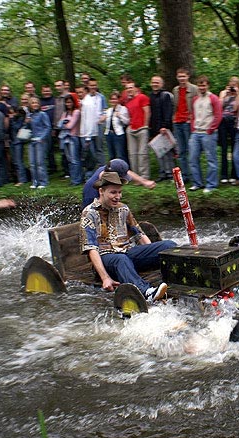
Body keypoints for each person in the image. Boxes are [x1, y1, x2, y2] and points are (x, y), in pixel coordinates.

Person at [80, 171, 176, 301]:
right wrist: (105, 278)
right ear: (101, 191)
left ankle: (177, 280)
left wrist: (153, 254)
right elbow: (91, 248)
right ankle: (146, 292)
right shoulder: (89, 213)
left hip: (127, 253)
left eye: (119, 192)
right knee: (121, 259)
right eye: (113, 192)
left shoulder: (123, 209)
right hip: (105, 259)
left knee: (169, 245)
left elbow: (139, 235)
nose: (117, 196)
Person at [188, 75, 222, 193]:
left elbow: (218, 115)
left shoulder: (213, 98)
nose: (201, 87)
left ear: (207, 85)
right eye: (199, 85)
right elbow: (192, 115)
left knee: (211, 159)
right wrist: (193, 128)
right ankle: (197, 183)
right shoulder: (195, 99)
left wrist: (211, 129)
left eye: (203, 85)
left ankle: (211, 185)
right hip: (196, 132)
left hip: (208, 133)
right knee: (192, 158)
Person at [82, 158, 156, 209]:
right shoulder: (91, 193)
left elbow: (128, 172)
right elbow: (87, 217)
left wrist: (144, 182)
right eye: (121, 179)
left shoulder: (108, 169)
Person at [172, 68, 198, 183]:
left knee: (191, 150)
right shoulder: (176, 90)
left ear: (188, 76)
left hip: (188, 122)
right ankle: (185, 176)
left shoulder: (194, 89)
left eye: (184, 76)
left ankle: (194, 176)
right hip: (178, 121)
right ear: (177, 77)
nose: (182, 79)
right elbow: (175, 106)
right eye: (180, 76)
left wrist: (192, 117)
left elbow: (197, 105)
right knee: (181, 151)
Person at [149, 75, 175, 182]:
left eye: (157, 82)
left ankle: (171, 173)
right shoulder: (151, 96)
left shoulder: (165, 96)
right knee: (158, 151)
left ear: (161, 84)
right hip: (155, 128)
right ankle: (162, 172)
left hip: (165, 128)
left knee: (168, 151)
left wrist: (165, 126)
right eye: (153, 82)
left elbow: (168, 112)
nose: (155, 84)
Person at [217, 76, 239, 184]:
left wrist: (237, 94)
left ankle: (234, 174)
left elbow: (237, 108)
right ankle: (224, 174)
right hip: (223, 122)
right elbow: (219, 106)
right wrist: (225, 95)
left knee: (234, 148)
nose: (233, 85)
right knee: (224, 149)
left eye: (235, 84)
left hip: (234, 122)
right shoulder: (223, 93)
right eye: (232, 83)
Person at [26, 97, 52, 188]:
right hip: (31, 140)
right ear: (30, 105)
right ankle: (34, 182)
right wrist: (27, 122)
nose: (35, 104)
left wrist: (42, 137)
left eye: (36, 102)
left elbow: (48, 127)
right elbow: (27, 129)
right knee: (32, 163)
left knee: (40, 163)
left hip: (40, 141)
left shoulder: (43, 114)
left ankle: (43, 182)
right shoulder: (29, 116)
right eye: (33, 103)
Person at [58, 94, 82, 186]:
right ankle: (73, 179)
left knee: (75, 160)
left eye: (70, 102)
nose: (68, 104)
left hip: (73, 138)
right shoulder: (65, 113)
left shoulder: (76, 112)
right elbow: (58, 125)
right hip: (65, 138)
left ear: (73, 102)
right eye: (66, 102)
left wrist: (64, 123)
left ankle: (77, 180)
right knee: (70, 160)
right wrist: (64, 124)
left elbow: (70, 126)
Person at [101, 91, 129, 164]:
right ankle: (113, 172)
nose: (113, 101)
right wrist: (102, 120)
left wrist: (120, 116)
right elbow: (105, 124)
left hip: (119, 134)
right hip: (109, 134)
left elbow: (127, 122)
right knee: (111, 155)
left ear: (118, 100)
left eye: (115, 99)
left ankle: (123, 171)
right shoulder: (108, 110)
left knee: (120, 155)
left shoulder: (123, 109)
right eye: (112, 99)